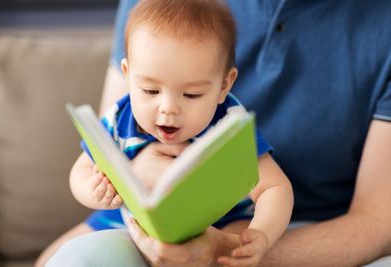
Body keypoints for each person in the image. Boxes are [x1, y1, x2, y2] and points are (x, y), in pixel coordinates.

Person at [44, 0, 391, 266]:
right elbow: (86, 166)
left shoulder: (227, 123)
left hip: (227, 226)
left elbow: (274, 187)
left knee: (235, 235)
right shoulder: (121, 114)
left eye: (192, 94)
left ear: (225, 86)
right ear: (128, 73)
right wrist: (98, 187)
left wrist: (259, 237)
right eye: (150, 91)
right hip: (128, 220)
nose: (168, 109)